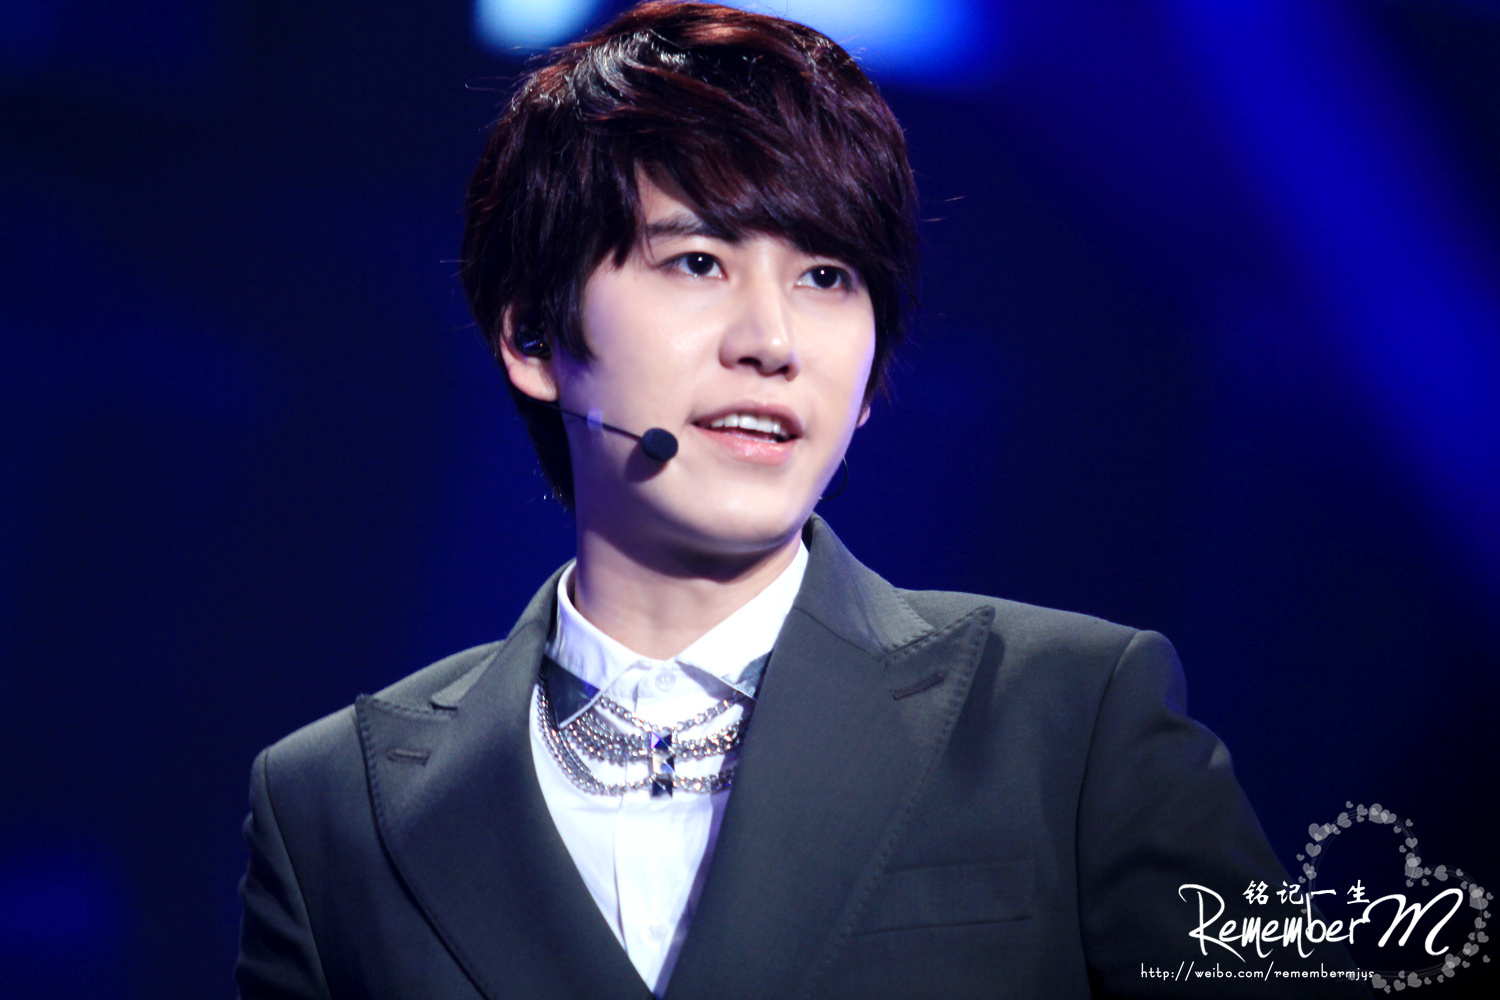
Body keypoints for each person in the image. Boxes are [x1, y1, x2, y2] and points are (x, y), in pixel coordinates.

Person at [235, 3, 1365, 997]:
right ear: (534, 336)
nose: (773, 341)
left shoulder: (1069, 721)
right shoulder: (336, 805)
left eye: (827, 277)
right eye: (698, 262)